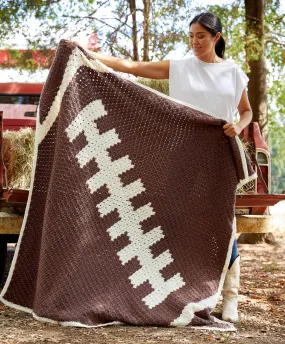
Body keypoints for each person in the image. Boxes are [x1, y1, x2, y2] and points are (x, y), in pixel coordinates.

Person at [86, 12, 253, 323]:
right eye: (191, 35)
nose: (194, 42)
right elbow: (132, 67)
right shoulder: (180, 68)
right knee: (177, 224)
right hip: (183, 157)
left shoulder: (232, 72)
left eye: (200, 36)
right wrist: (92, 55)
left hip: (219, 159)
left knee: (223, 225)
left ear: (216, 38)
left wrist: (238, 125)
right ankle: (183, 294)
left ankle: (231, 296)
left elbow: (247, 111)